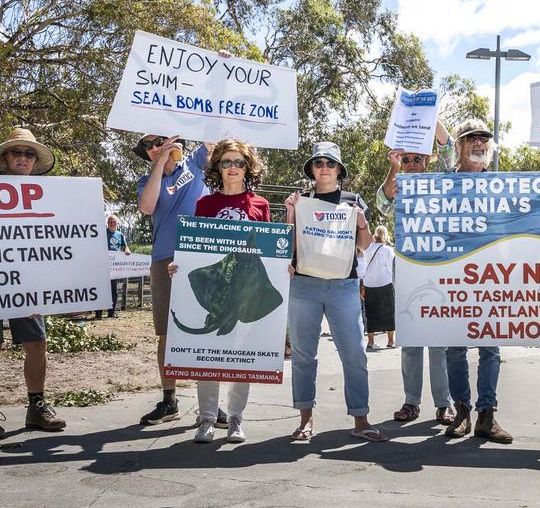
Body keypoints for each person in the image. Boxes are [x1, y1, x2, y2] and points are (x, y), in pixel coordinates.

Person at [0, 127, 67, 439]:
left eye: (29, 153)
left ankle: (36, 407)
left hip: (29, 282)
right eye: (16, 152)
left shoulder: (47, 194)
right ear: (5, 158)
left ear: (35, 161)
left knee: (37, 344)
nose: (22, 157)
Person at [169, 138, 271, 444]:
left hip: (244, 292)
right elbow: (194, 251)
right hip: (215, 291)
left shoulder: (260, 205)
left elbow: (266, 254)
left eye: (238, 162)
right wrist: (179, 266)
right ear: (217, 167)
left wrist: (283, 270)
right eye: (226, 162)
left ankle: (236, 418)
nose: (232, 168)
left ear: (247, 167)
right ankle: (207, 420)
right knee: (208, 357)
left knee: (242, 357)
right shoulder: (205, 205)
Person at [283, 142, 386, 442]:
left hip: (344, 286)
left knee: (354, 353)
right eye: (319, 163)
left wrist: (363, 223)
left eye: (330, 163)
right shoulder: (300, 200)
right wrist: (290, 213)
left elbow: (364, 246)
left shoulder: (354, 202)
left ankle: (361, 419)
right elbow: (288, 246)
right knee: (303, 355)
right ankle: (305, 419)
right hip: (305, 284)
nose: (324, 167)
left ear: (339, 169)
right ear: (312, 169)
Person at [375, 127, 454, 426]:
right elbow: (382, 205)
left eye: (416, 159)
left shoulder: (440, 183)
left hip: (440, 265)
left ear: (426, 161)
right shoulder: (399, 185)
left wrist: (433, 122)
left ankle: (443, 403)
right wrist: (392, 168)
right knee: (411, 341)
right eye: (406, 159)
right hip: (407, 266)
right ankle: (411, 401)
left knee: (438, 341)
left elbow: (449, 155)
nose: (411, 163)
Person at [135, 133, 216, 426]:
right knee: (166, 335)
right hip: (164, 259)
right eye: (149, 145)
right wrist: (159, 164)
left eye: (161, 141)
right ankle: (169, 401)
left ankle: (211, 403)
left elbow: (214, 138)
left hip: (201, 256)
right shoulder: (146, 181)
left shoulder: (194, 164)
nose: (157, 147)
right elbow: (147, 207)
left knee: (207, 329)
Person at [443, 119, 512, 443]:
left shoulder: (501, 185)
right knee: (454, 349)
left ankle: (487, 415)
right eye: (471, 138)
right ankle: (462, 412)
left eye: (484, 137)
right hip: (454, 278)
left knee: (490, 349)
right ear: (459, 146)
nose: (479, 142)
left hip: (490, 281)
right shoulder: (443, 184)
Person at [362, 226, 396, 350]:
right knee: (389, 312)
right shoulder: (388, 250)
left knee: (371, 312)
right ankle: (390, 341)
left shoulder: (368, 249)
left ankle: (371, 342)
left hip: (369, 283)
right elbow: (390, 266)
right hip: (385, 282)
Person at [98, 215, 130, 320]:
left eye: (114, 222)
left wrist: (127, 250)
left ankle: (111, 312)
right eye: (110, 222)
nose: (112, 224)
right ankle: (98, 313)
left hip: (114, 268)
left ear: (117, 224)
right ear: (107, 223)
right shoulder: (102, 233)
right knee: (101, 289)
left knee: (113, 290)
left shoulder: (119, 234)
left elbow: (125, 246)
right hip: (102, 265)